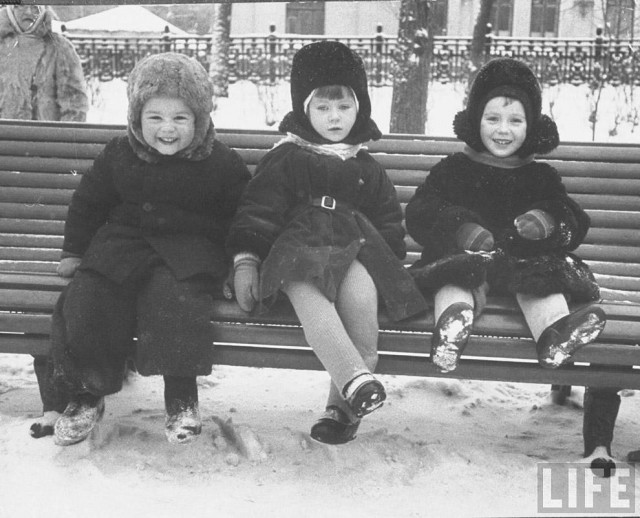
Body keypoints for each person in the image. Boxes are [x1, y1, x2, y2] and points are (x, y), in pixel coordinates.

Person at [405, 58, 612, 470]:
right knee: (453, 274)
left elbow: (571, 217)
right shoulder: (454, 169)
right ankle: (451, 328)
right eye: (493, 117)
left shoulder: (539, 176)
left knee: (545, 279)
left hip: (521, 262)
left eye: (516, 120)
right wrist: (460, 228)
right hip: (466, 257)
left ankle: (554, 337)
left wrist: (545, 223)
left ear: (531, 125)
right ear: (475, 119)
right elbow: (422, 210)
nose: (503, 129)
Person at [226, 41, 427, 445]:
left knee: (361, 317)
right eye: (322, 108)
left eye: (344, 107)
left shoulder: (366, 166)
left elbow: (388, 221)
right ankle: (354, 378)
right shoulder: (286, 158)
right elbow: (257, 212)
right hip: (296, 254)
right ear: (304, 109)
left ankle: (342, 409)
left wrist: (383, 263)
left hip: (354, 251)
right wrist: (246, 260)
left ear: (360, 108)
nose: (334, 117)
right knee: (308, 289)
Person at [47, 52, 251, 446]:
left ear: (200, 120)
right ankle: (89, 392)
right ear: (137, 119)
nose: (167, 129)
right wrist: (74, 251)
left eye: (180, 118)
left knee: (176, 302)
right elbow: (88, 202)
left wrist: (235, 265)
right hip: (123, 246)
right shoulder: (120, 154)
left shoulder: (220, 162)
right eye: (155, 117)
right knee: (90, 298)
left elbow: (239, 217)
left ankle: (181, 396)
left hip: (187, 253)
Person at [1, 4, 90, 438]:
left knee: (43, 277)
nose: (25, 11)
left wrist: (60, 157)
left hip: (46, 176)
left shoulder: (60, 48)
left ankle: (55, 395)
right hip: (4, 176)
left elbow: (74, 107)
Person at [0, 5, 88, 121]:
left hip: (45, 136)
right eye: (21, 6)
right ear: (11, 9)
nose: (28, 12)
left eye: (35, 7)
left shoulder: (60, 48)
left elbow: (74, 105)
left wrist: (61, 137)